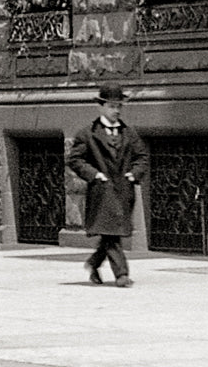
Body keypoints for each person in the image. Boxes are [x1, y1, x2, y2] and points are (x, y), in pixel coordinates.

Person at [67, 82, 148, 288]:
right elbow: (75, 160)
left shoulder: (129, 133)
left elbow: (142, 157)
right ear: (101, 106)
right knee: (112, 234)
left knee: (112, 232)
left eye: (119, 106)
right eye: (112, 106)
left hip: (123, 190)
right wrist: (94, 175)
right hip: (102, 192)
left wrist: (133, 174)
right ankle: (121, 274)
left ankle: (93, 263)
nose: (116, 110)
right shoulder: (88, 133)